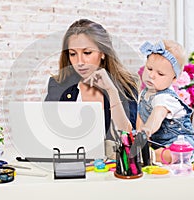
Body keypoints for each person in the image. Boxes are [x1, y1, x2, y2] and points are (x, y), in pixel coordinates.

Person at [45, 19, 139, 156]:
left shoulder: (126, 85)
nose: (80, 62)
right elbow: (48, 133)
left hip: (112, 169)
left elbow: (129, 138)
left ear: (102, 53)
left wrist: (111, 91)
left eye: (87, 53)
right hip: (71, 163)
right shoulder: (58, 85)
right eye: (73, 54)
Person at [137, 40, 194, 163]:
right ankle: (150, 153)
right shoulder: (144, 94)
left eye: (160, 74)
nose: (152, 75)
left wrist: (147, 129)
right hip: (157, 142)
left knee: (172, 153)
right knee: (153, 149)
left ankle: (152, 156)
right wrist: (138, 137)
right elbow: (140, 117)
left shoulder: (165, 97)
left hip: (180, 140)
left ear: (174, 78)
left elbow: (157, 115)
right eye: (149, 68)